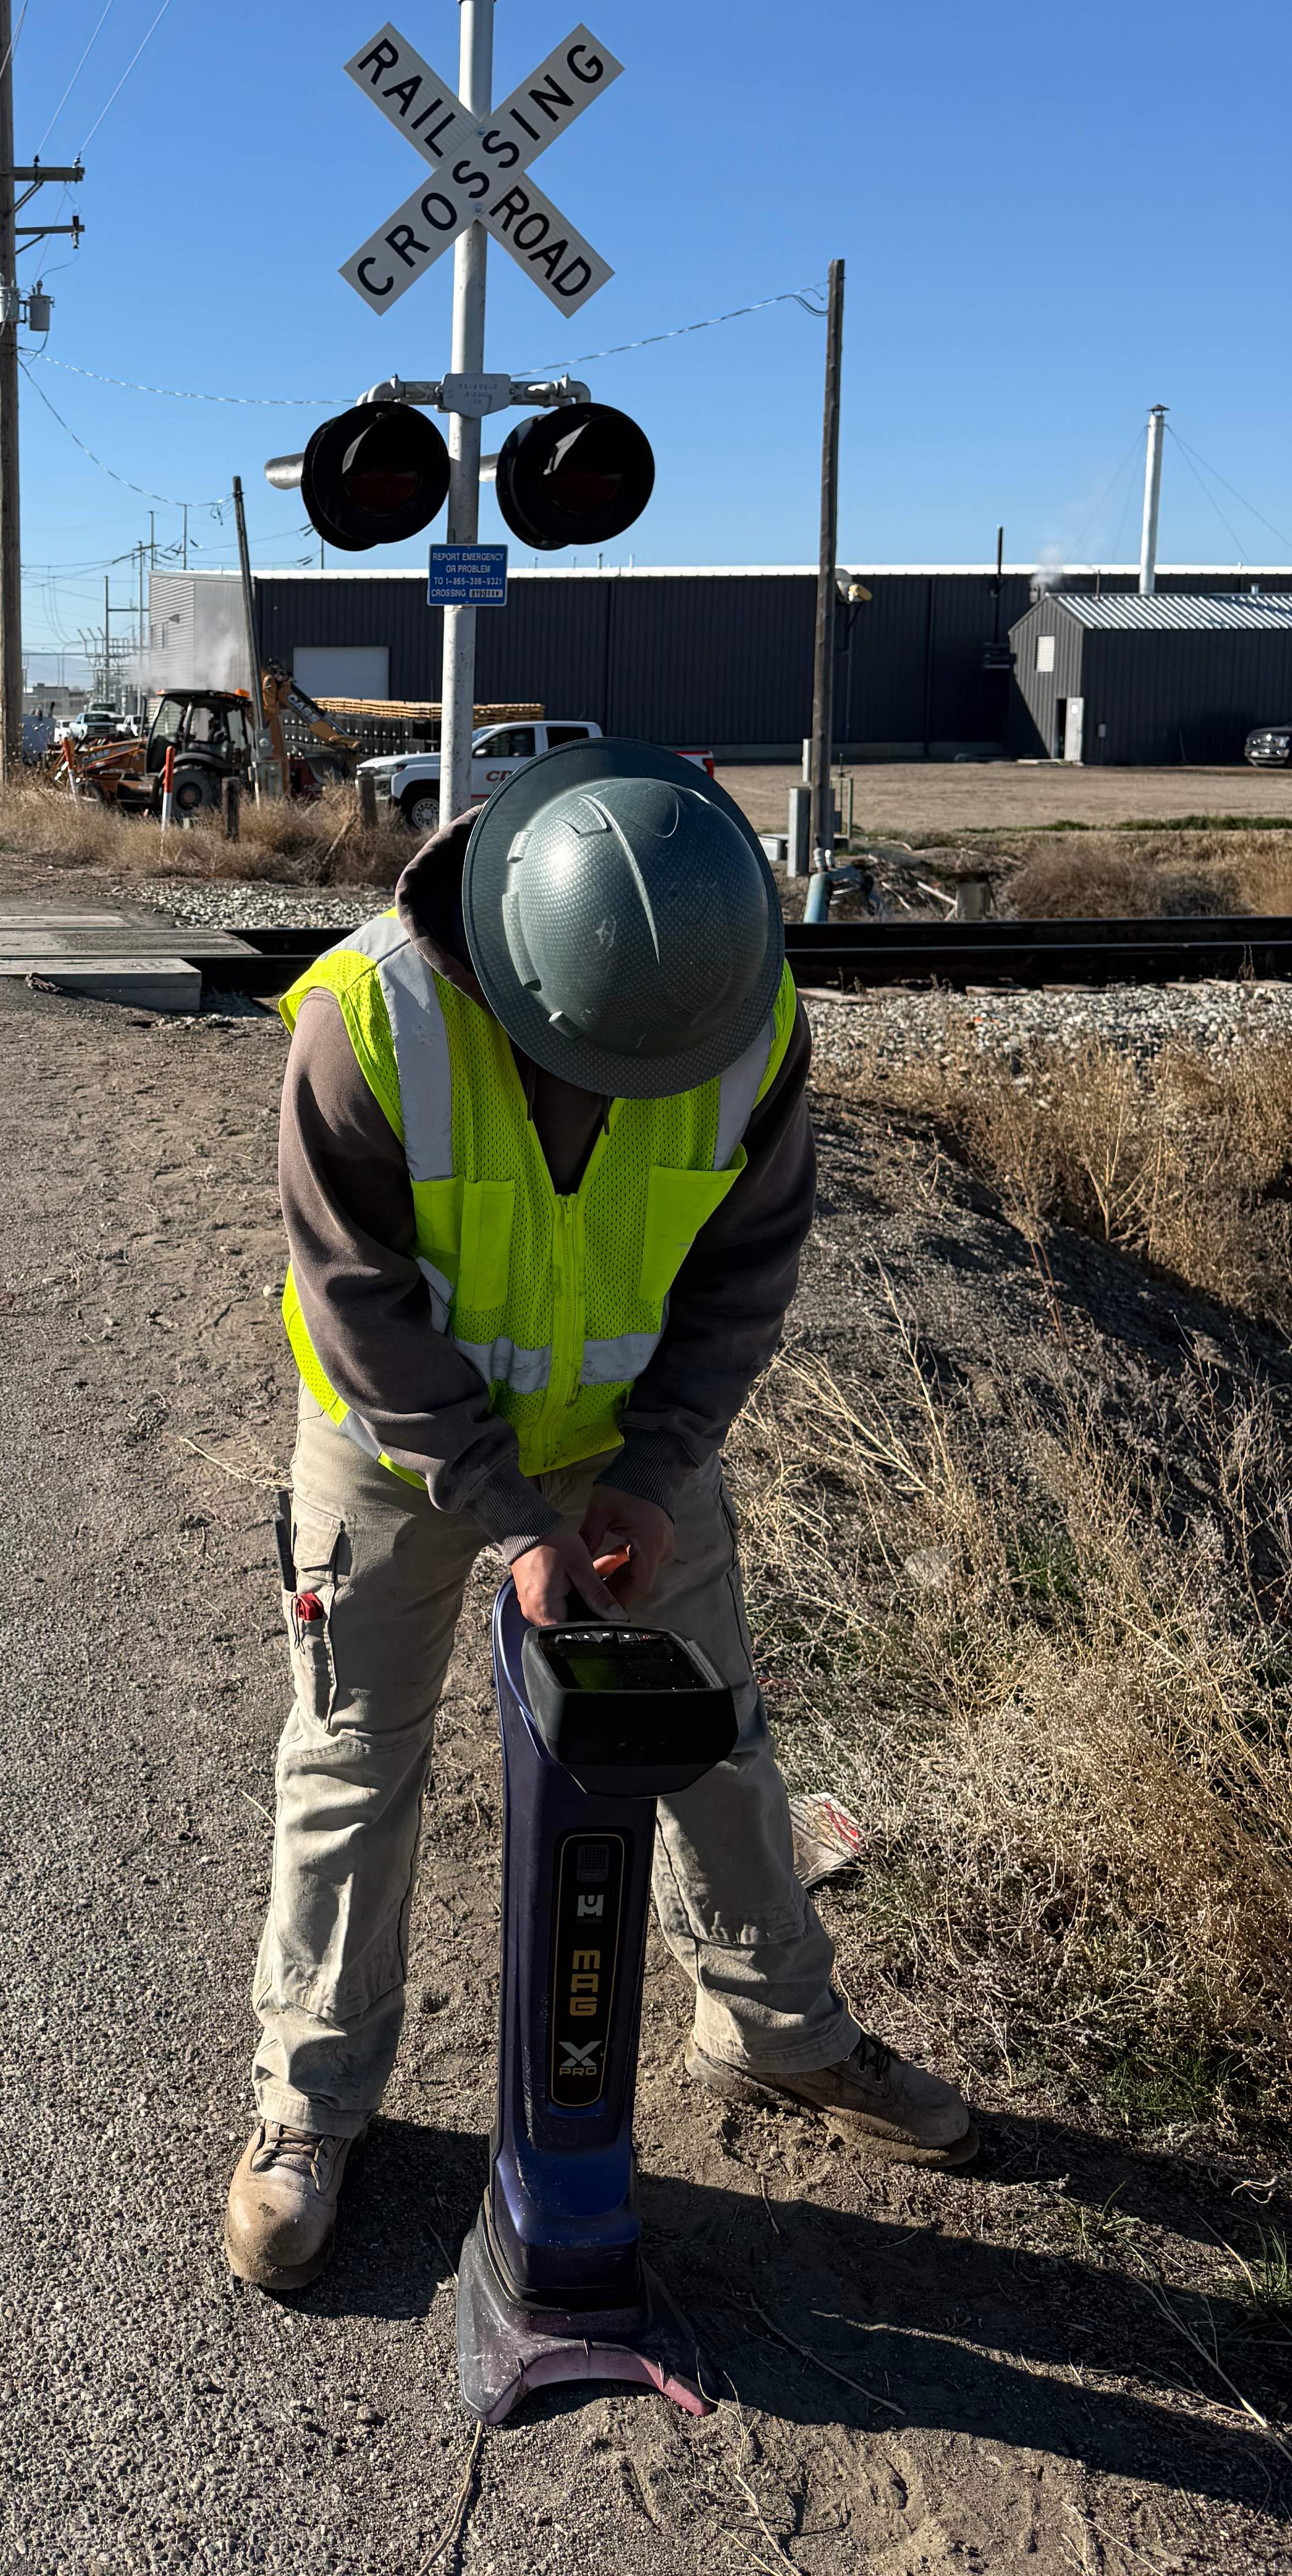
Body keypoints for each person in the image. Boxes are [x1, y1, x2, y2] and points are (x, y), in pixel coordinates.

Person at [225, 741, 975, 2296]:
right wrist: (507, 1515)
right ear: (507, 960)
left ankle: (777, 2028)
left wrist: (651, 1465)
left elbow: (737, 1273)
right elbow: (356, 1302)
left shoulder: (739, 1011)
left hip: (632, 1447)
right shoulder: (366, 1027)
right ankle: (308, 2104)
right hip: (395, 1443)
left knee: (712, 1731)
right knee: (352, 1757)